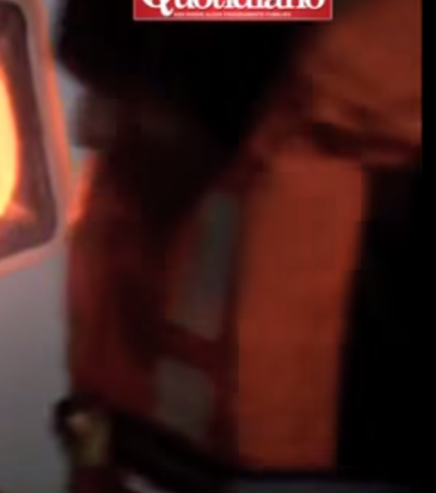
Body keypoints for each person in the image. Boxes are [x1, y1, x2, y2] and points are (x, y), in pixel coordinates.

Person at [55, 0, 421, 491]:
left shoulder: (390, 252)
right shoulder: (140, 203)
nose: (88, 130)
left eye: (122, 95)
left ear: (213, 91)